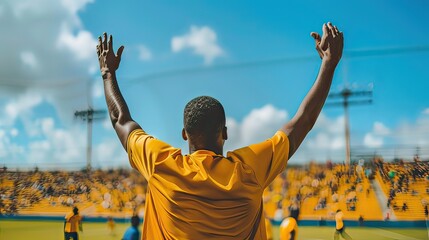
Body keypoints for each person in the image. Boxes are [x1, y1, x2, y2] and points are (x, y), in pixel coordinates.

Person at [97, 22, 343, 239]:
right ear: (224, 133)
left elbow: (120, 118)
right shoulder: (249, 171)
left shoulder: (161, 164)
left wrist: (108, 74)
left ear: (185, 133)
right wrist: (329, 65)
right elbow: (303, 121)